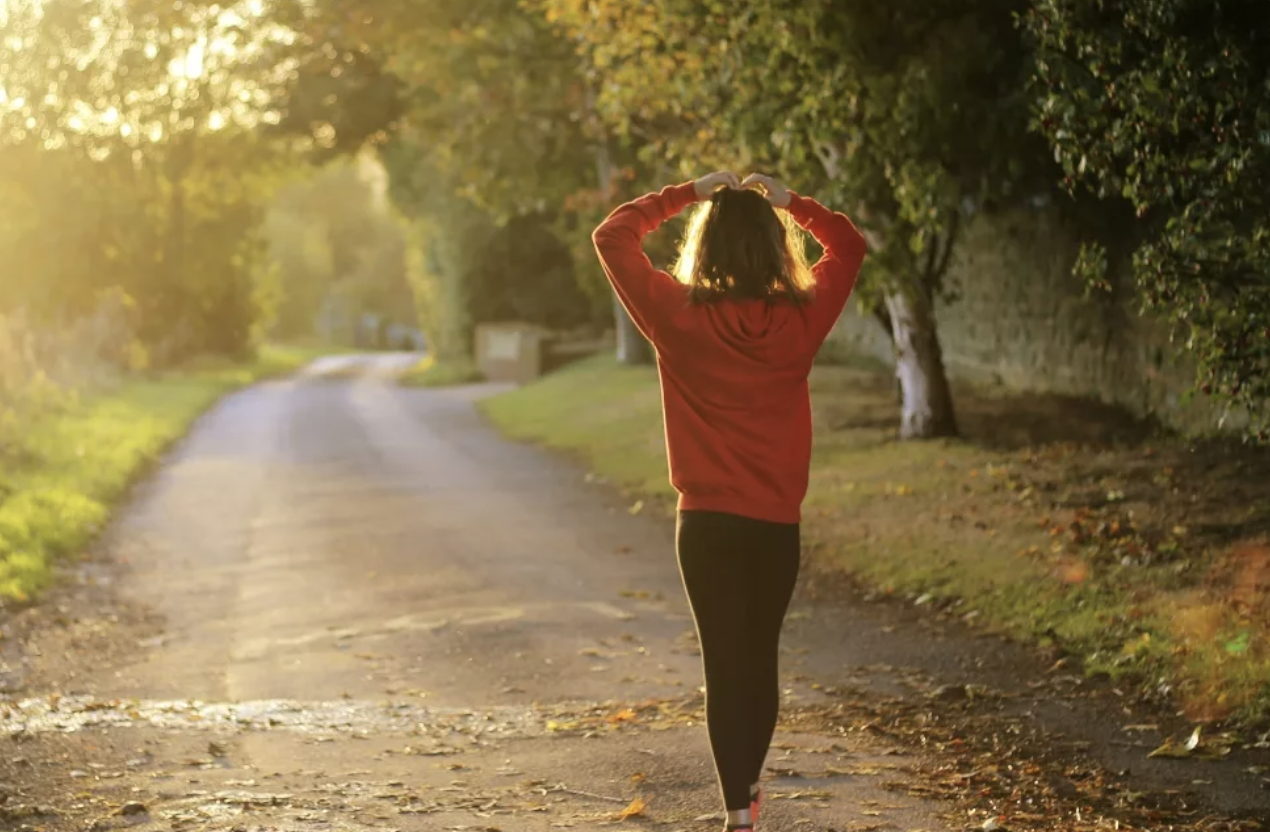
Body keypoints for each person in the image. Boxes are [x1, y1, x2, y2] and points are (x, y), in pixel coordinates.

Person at [592, 171, 868, 831]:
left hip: (707, 524)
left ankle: (738, 815)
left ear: (706, 246)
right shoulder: (801, 318)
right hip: (775, 525)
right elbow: (849, 246)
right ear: (775, 248)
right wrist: (790, 202)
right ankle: (748, 795)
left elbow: (613, 235)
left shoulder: (676, 313)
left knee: (724, 663)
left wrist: (688, 192)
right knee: (759, 657)